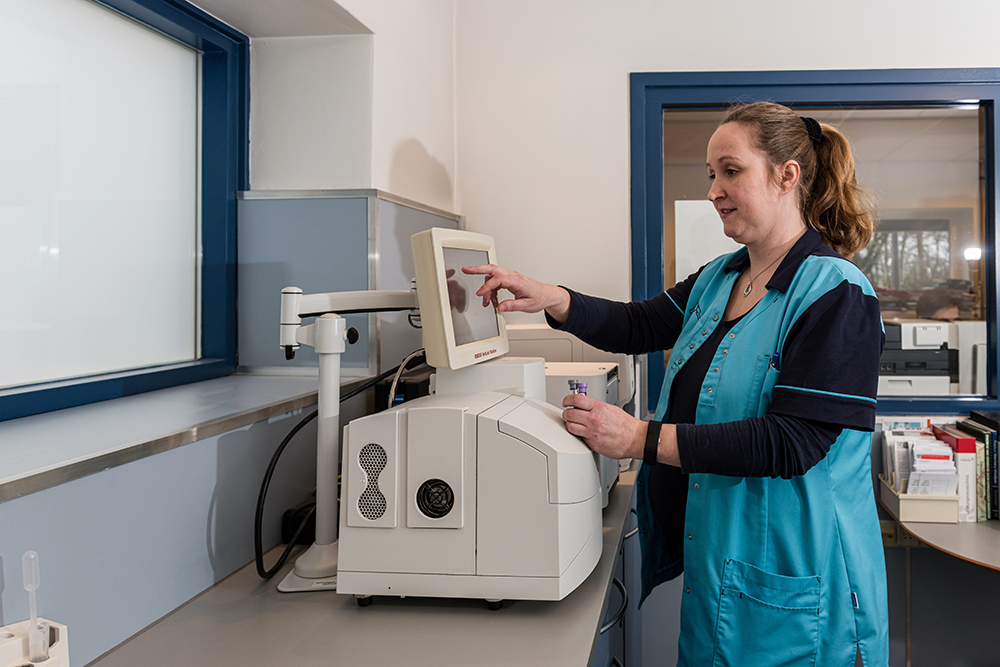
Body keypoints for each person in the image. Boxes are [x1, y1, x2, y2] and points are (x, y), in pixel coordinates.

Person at [465, 102, 888, 666]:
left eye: (731, 171)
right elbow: (638, 324)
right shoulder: (722, 276)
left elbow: (795, 441)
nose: (714, 189)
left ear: (787, 175)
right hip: (723, 559)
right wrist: (552, 298)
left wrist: (640, 439)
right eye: (711, 174)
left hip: (799, 576)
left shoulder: (836, 293)